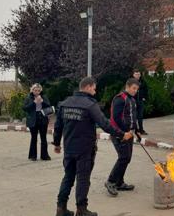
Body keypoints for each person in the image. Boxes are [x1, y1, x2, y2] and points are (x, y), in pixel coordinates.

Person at [53, 77, 133, 216]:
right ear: (88, 87)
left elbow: (58, 126)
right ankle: (81, 210)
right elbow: (105, 124)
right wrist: (122, 134)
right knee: (83, 179)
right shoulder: (89, 105)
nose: (95, 92)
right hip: (84, 150)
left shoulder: (65, 103)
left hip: (69, 148)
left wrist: (57, 144)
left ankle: (61, 208)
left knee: (68, 177)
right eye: (94, 88)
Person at [105, 78, 140, 197]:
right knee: (123, 157)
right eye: (133, 88)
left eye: (137, 89)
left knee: (127, 157)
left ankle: (119, 182)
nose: (135, 91)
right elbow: (116, 118)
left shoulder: (132, 100)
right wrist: (125, 132)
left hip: (129, 133)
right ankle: (111, 181)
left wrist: (137, 131)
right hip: (119, 133)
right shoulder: (120, 99)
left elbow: (133, 117)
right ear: (127, 86)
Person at [23, 83, 51, 161]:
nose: (37, 92)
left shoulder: (44, 97)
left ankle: (44, 156)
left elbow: (49, 106)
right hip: (33, 120)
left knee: (43, 138)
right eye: (35, 90)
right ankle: (33, 156)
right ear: (32, 90)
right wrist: (34, 102)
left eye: (39, 90)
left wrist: (42, 101)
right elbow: (25, 108)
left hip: (43, 119)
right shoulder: (29, 98)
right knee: (34, 138)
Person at [132, 69, 149, 135]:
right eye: (136, 74)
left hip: (140, 101)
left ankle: (141, 130)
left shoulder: (143, 81)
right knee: (134, 116)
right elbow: (128, 90)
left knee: (140, 116)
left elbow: (146, 90)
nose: (137, 75)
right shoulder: (131, 81)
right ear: (133, 75)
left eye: (138, 74)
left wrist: (144, 97)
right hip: (133, 101)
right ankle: (135, 129)